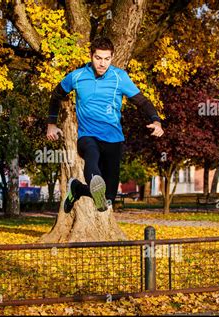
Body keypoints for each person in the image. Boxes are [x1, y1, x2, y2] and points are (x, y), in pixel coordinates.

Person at [46, 37, 164, 213]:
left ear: (112, 57)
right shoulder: (77, 76)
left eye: (107, 59)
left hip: (114, 139)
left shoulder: (119, 77)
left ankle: (77, 188)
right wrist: (51, 124)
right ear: (91, 56)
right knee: (91, 155)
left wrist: (156, 121)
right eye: (98, 58)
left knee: (107, 199)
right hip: (87, 136)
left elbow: (142, 102)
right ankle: (88, 185)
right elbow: (56, 95)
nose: (102, 63)